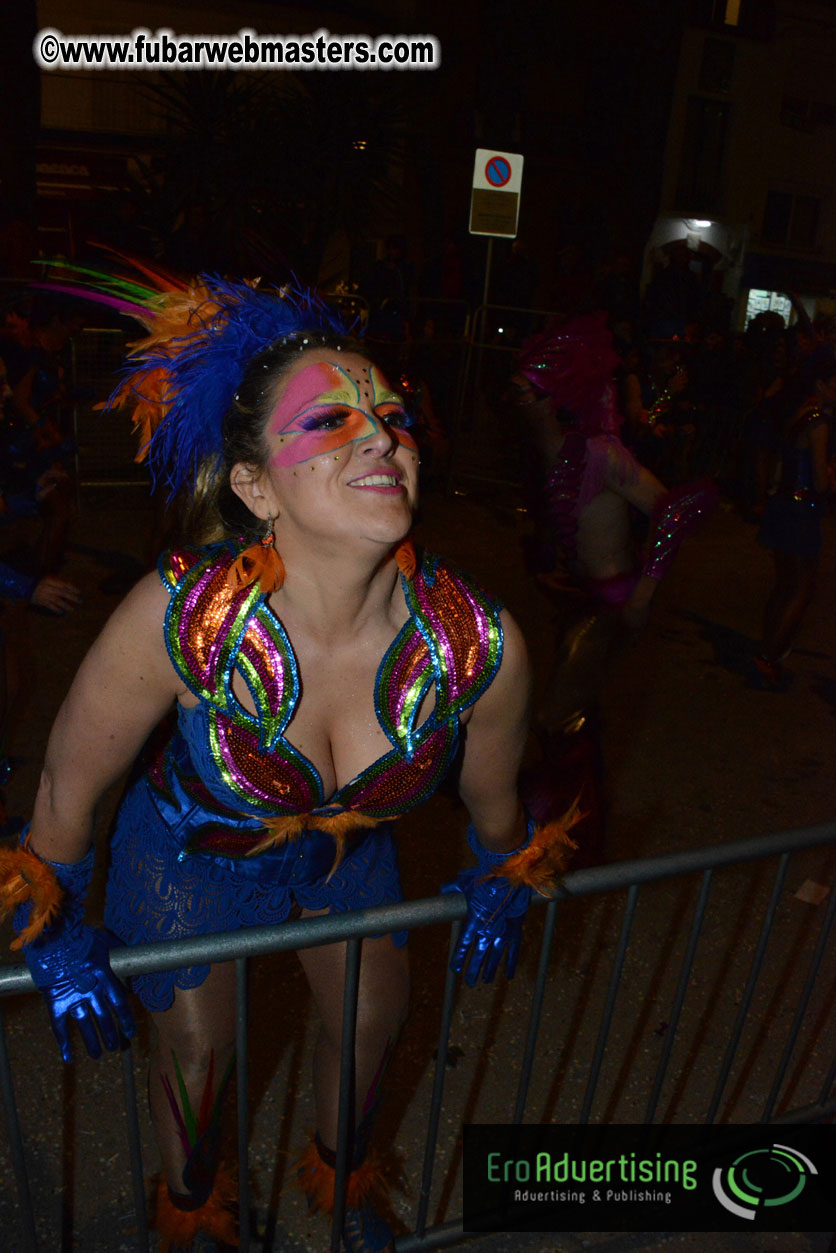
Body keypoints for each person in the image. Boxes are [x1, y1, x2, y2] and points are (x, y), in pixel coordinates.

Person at [0, 274, 575, 1252]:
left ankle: (341, 1184)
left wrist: (501, 884)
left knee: (373, 1020)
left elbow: (494, 807)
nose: (380, 436)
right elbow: (66, 787)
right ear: (255, 486)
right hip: (189, 855)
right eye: (328, 420)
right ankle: (194, 1212)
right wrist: (51, 934)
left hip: (343, 858)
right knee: (198, 1049)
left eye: (391, 415)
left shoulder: (477, 645)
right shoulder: (183, 615)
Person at [511, 314, 717, 861]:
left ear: (555, 397)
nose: (517, 399)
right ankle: (570, 826)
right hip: (578, 597)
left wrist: (643, 596)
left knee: (558, 718)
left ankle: (574, 835)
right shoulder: (548, 451)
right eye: (517, 389)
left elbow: (676, 511)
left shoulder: (600, 453)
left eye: (527, 391)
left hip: (608, 604)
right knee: (576, 716)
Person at [752, 347, 836, 689]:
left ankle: (767, 650)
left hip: (784, 506)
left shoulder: (802, 413)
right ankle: (768, 657)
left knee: (785, 584)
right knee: (802, 587)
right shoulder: (820, 423)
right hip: (801, 510)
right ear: (822, 384)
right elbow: (820, 482)